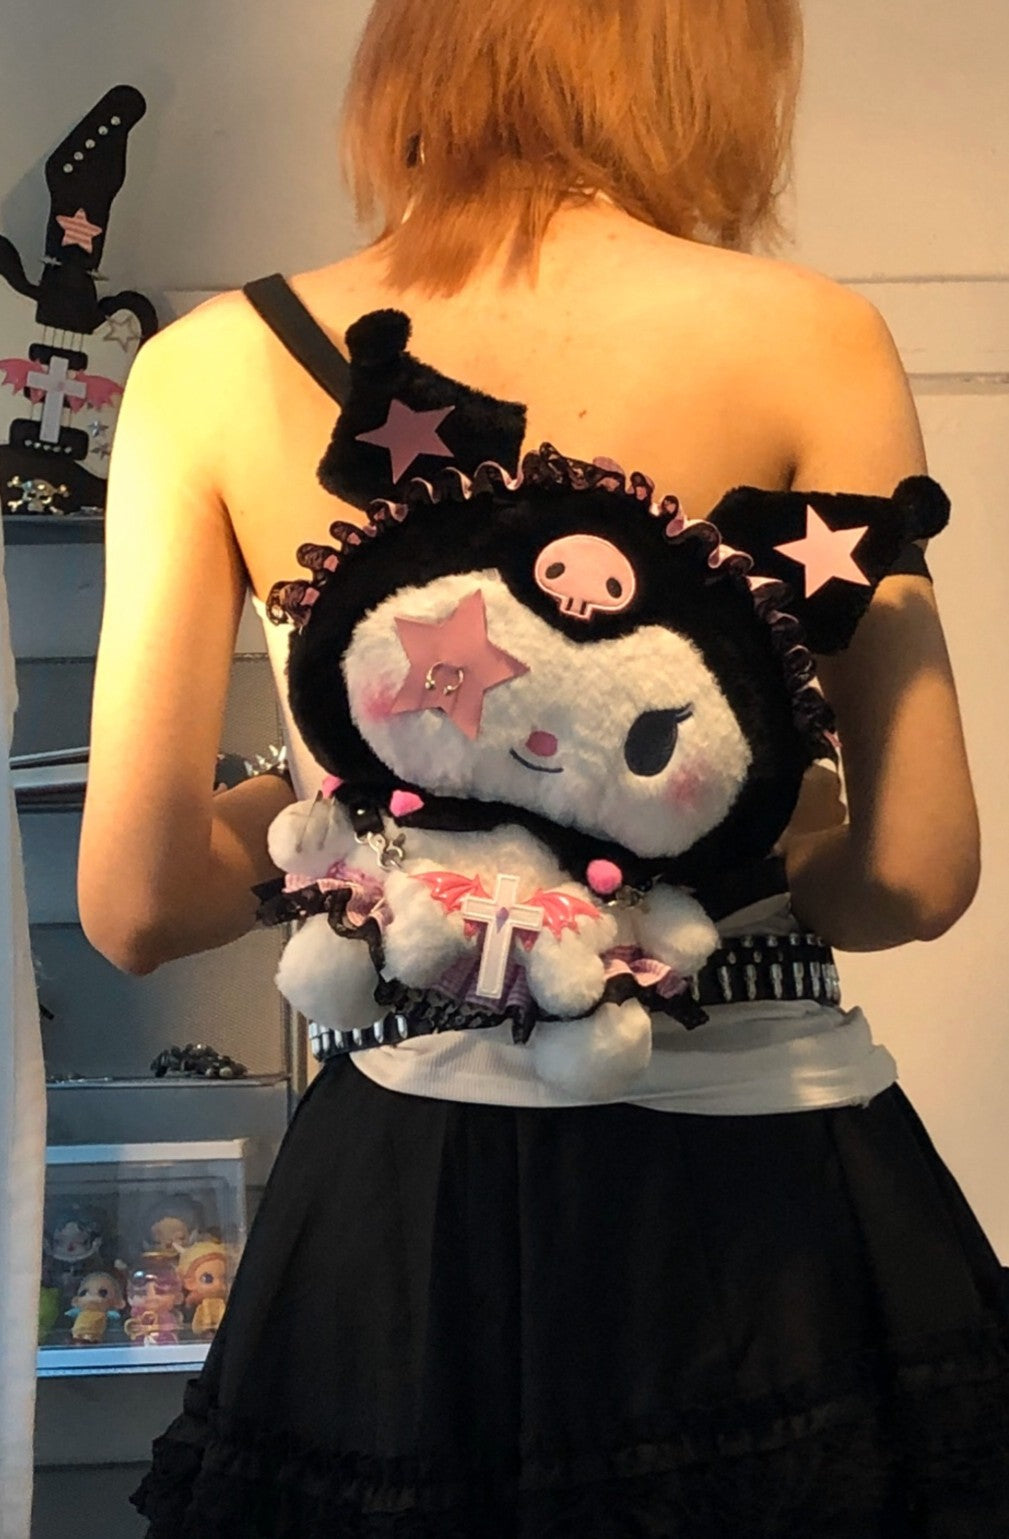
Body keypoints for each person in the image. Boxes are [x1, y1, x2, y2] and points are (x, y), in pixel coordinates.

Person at [77, 0, 1009, 1533]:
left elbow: (138, 901)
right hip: (767, 1200)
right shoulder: (806, 334)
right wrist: (789, 840)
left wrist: (295, 806)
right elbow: (911, 873)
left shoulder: (208, 368)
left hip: (408, 1207)